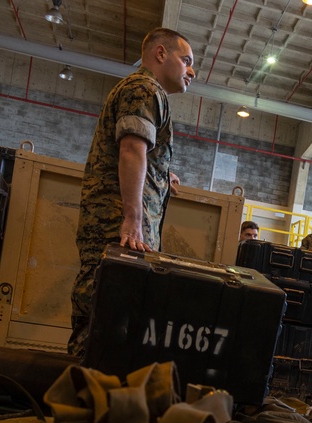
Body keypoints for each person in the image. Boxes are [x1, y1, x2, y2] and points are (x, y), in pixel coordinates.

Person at [70, 28, 195, 358]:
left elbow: (135, 149)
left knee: (114, 322)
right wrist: (132, 218)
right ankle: (83, 401)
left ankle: (93, 398)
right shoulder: (143, 88)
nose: (192, 71)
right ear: (159, 54)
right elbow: (130, 149)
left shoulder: (149, 92)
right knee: (104, 323)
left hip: (121, 230)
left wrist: (161, 173)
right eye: (186, 61)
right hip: (119, 230)